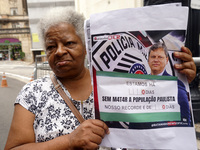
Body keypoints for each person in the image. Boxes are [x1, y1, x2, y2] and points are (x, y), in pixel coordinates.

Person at [4, 7, 196, 150]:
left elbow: (162, 123)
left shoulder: (121, 82)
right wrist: (69, 141)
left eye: (69, 43)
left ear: (87, 46)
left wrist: (181, 78)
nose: (59, 51)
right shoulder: (33, 93)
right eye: (51, 47)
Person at [148, 42, 193, 125]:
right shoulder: (139, 83)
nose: (156, 60)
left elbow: (185, 122)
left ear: (167, 60)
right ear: (148, 60)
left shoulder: (177, 85)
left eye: (160, 57)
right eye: (153, 57)